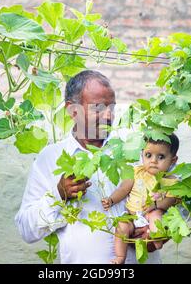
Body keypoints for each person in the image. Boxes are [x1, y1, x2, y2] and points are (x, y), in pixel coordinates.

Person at [15, 70, 163, 263]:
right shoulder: (50, 159)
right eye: (99, 108)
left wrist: (161, 229)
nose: (109, 115)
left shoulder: (138, 148)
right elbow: (27, 230)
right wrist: (59, 195)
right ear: (72, 110)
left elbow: (174, 193)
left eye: (112, 107)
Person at [102, 135, 180, 264]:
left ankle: (157, 239)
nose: (153, 161)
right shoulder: (136, 172)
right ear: (142, 154)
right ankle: (120, 257)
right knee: (121, 225)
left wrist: (155, 205)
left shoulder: (171, 180)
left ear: (173, 160)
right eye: (148, 155)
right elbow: (123, 189)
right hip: (132, 216)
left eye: (160, 157)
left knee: (157, 215)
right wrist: (111, 200)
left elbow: (170, 200)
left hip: (150, 216)